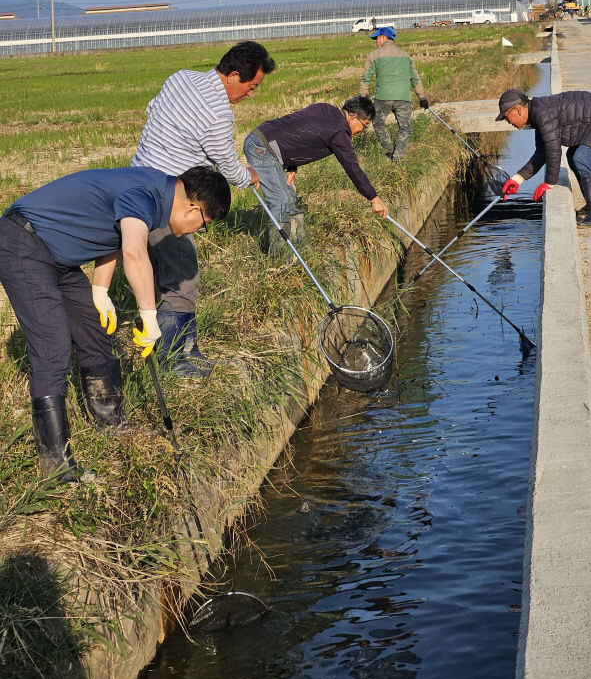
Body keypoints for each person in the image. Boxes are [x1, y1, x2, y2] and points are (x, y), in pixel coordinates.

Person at [0, 165, 231, 482]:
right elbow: (134, 252)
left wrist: (100, 289)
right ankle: (57, 471)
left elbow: (110, 233)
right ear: (194, 207)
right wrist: (150, 317)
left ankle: (112, 426)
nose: (195, 231)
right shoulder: (145, 196)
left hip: (54, 253)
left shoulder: (154, 191)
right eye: (203, 224)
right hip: (23, 243)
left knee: (93, 333)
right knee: (53, 348)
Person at [131, 41, 276, 377]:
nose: (251, 94)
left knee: (158, 268)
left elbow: (153, 110)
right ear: (234, 75)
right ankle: (174, 360)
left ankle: (186, 346)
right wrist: (248, 177)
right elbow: (226, 164)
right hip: (167, 199)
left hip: (134, 182)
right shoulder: (218, 113)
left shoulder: (180, 77)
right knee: (183, 277)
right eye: (252, 86)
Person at [243, 96, 387, 252]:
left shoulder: (326, 109)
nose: (362, 131)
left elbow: (299, 132)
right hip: (262, 147)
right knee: (281, 200)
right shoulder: (339, 130)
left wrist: (292, 165)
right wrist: (373, 197)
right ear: (352, 117)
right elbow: (352, 167)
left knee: (289, 196)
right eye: (364, 125)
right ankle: (279, 257)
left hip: (265, 141)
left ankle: (299, 250)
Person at [496, 88, 591, 227]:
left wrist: (549, 183)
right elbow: (542, 153)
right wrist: (518, 179)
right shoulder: (538, 113)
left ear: (517, 109)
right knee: (573, 156)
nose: (508, 122)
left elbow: (554, 150)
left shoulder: (542, 114)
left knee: (582, 159)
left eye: (506, 116)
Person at [359, 26, 428, 160]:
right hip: (403, 98)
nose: (376, 42)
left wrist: (362, 96)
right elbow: (415, 77)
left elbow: (366, 77)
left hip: (383, 98)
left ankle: (389, 151)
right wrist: (422, 97)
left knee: (378, 123)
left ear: (383, 38)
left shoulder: (375, 54)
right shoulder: (405, 55)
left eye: (376, 38)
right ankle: (398, 157)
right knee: (405, 128)